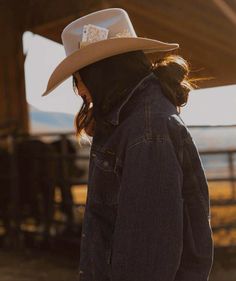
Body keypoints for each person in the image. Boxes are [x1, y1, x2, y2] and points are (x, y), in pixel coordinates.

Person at [42, 8, 214, 281]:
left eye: (78, 78)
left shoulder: (145, 132)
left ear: (100, 73)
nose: (80, 90)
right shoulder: (131, 123)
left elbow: (147, 250)